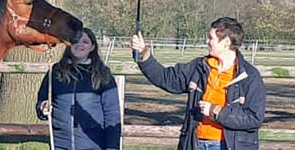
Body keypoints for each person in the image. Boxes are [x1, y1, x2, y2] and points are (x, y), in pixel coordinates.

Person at [130, 17, 266, 150]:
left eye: (210, 38)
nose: (206, 41)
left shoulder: (249, 76)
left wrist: (216, 112)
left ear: (226, 42)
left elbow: (254, 118)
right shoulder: (199, 67)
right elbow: (166, 78)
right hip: (195, 143)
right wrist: (143, 53)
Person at [36, 28, 121, 150]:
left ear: (92, 47)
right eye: (76, 41)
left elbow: (112, 114)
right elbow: (42, 100)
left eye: (85, 42)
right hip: (60, 143)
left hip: (93, 144)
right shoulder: (55, 71)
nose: (80, 44)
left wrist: (113, 147)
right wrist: (42, 107)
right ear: (69, 44)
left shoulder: (102, 74)